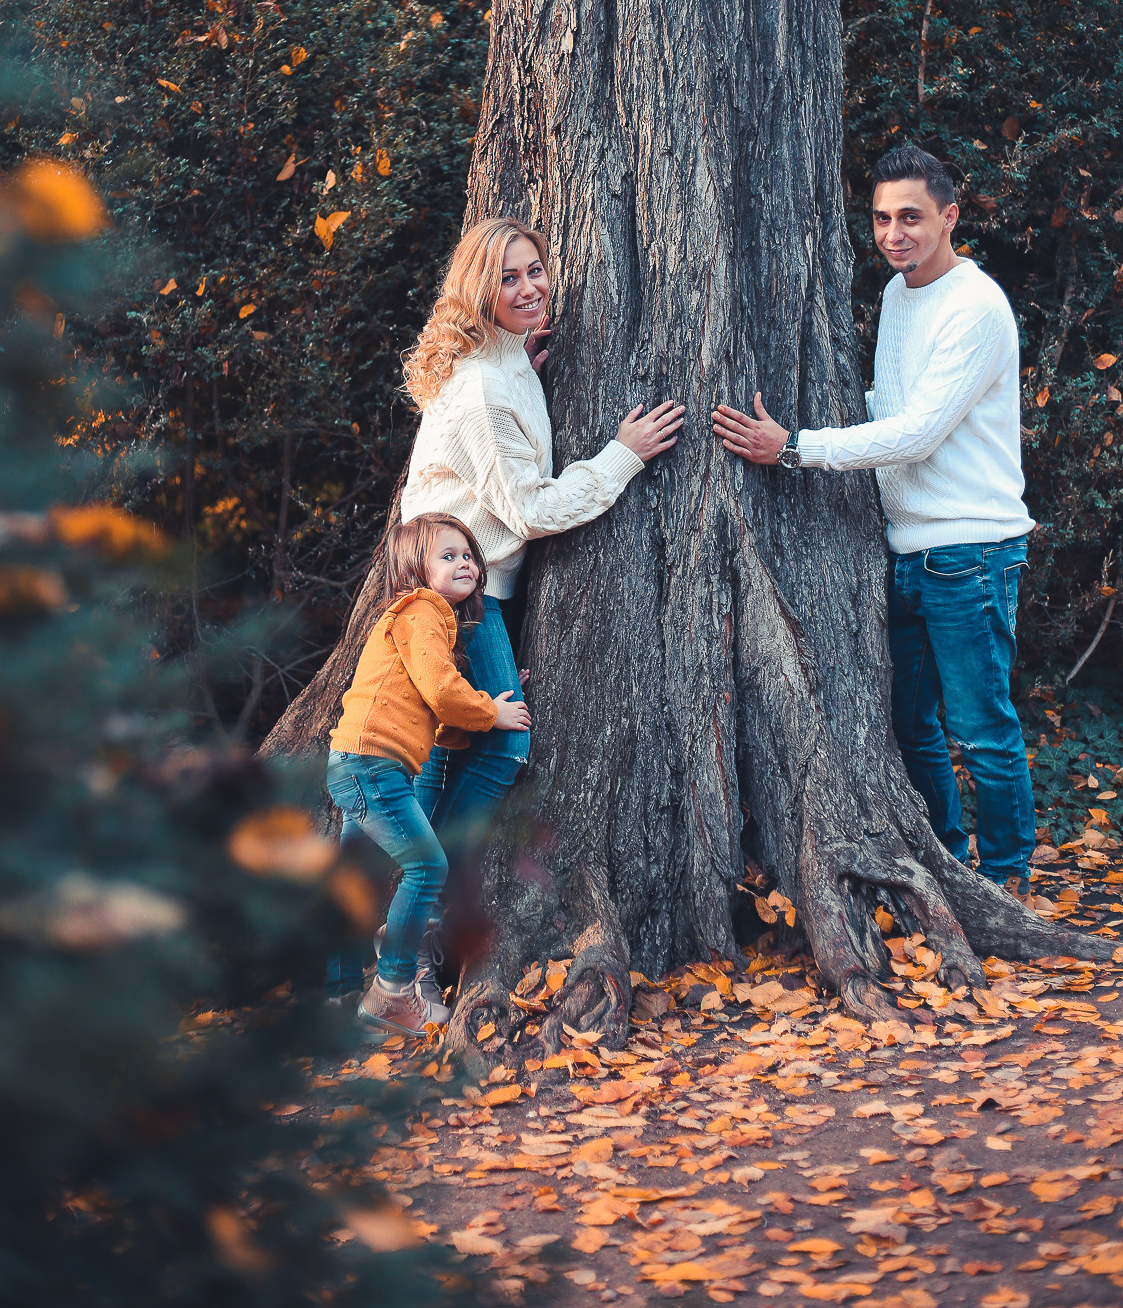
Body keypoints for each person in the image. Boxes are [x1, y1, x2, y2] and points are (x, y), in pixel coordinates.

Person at [713, 144, 1036, 893]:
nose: (895, 233)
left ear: (949, 217)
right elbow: (889, 409)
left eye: (912, 218)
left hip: (970, 550)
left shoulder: (976, 308)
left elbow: (921, 430)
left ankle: (1011, 882)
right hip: (906, 550)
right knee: (912, 726)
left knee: (983, 733)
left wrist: (794, 448)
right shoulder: (898, 295)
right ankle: (950, 863)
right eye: (883, 218)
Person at [399, 216, 683, 991]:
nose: (529, 288)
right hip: (459, 601)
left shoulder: (501, 361)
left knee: (455, 754)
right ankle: (412, 951)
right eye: (508, 279)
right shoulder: (486, 386)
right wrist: (622, 457)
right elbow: (528, 510)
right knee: (493, 748)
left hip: (469, 587)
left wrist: (526, 362)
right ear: (478, 290)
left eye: (535, 271)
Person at [326, 513, 531, 1036]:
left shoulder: (424, 622)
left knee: (357, 873)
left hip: (357, 760)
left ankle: (340, 990)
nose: (464, 562)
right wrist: (491, 712)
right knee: (427, 867)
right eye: (448, 555)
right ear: (415, 569)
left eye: (468, 554)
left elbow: (437, 708)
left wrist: (482, 695)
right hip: (373, 766)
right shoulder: (424, 609)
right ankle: (392, 992)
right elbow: (443, 693)